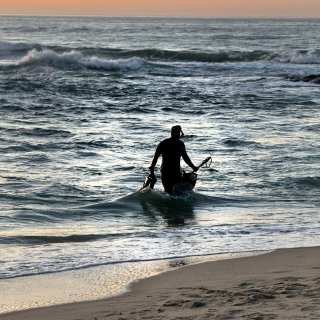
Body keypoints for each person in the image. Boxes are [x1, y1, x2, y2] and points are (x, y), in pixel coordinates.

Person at [149, 125, 198, 194]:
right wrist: (152, 172)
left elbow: (185, 157)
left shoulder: (180, 144)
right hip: (166, 172)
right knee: (168, 192)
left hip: (176, 172)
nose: (178, 134)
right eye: (176, 132)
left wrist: (193, 166)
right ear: (172, 132)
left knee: (178, 193)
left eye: (179, 132)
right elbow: (155, 158)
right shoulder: (164, 144)